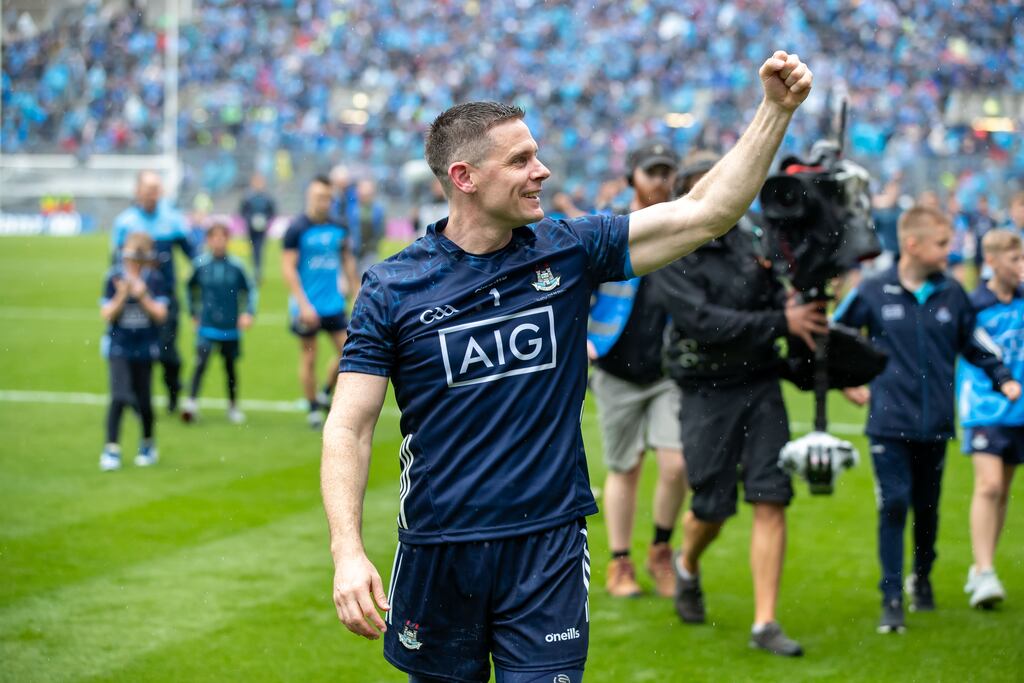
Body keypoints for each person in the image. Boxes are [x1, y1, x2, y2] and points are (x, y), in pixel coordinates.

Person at [322, 50, 812, 682]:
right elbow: (349, 425)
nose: (542, 171)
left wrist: (774, 111)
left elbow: (707, 212)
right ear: (464, 176)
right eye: (521, 160)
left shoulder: (571, 248)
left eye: (537, 155)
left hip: (547, 545)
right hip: (439, 547)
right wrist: (347, 550)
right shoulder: (392, 288)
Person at [648, 152, 828, 657]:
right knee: (711, 506)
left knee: (772, 498)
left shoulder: (753, 243)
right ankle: (686, 564)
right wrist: (780, 323)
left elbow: (779, 305)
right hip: (706, 391)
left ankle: (765, 623)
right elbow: (703, 323)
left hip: (761, 385)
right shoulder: (672, 254)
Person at [834, 206, 1021, 634]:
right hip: (887, 421)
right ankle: (891, 597)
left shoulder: (953, 294)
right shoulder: (872, 291)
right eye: (942, 244)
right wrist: (846, 381)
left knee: (928, 508)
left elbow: (975, 344)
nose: (950, 251)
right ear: (912, 245)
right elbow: (834, 335)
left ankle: (923, 576)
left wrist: (1003, 378)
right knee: (894, 503)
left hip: (935, 422)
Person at [587, 139, 686, 599]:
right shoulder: (607, 226)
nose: (661, 180)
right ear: (632, 178)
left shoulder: (682, 222)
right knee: (623, 468)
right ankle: (621, 563)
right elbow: (576, 285)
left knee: (675, 464)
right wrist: (581, 338)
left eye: (667, 171)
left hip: (667, 367)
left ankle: (661, 551)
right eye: (652, 171)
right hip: (615, 364)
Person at [957, 229, 1024, 609]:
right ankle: (984, 571)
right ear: (994, 261)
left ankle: (984, 566)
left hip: (1019, 408)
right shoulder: (974, 305)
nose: (1021, 267)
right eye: (1015, 260)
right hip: (983, 407)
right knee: (989, 485)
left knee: (1002, 491)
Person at [111, 170, 195, 413]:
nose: (152, 195)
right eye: (148, 189)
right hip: (134, 302)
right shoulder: (125, 222)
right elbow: (115, 263)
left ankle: (173, 391)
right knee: (138, 356)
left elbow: (193, 254)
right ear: (138, 191)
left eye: (156, 189)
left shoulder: (173, 219)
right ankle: (139, 404)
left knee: (169, 355)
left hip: (165, 297)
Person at [282, 175, 360, 429]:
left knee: (348, 352)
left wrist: (356, 288)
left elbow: (347, 259)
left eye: (327, 197)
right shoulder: (297, 229)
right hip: (307, 307)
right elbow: (288, 268)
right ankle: (313, 407)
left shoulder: (339, 227)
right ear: (309, 197)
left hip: (333, 304)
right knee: (309, 357)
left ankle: (326, 391)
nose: (323, 202)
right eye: (318, 197)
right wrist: (303, 305)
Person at [99, 231, 168, 471]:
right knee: (119, 397)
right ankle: (111, 448)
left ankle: (148, 444)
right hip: (119, 346)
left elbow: (161, 314)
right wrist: (121, 294)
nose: (133, 264)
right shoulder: (113, 278)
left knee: (145, 400)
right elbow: (106, 314)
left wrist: (142, 296)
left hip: (145, 348)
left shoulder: (155, 279)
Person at [182, 222, 257, 425]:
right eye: (214, 237)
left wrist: (248, 313)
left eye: (222, 237)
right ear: (208, 240)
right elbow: (188, 288)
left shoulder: (237, 266)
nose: (218, 241)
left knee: (230, 367)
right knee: (200, 363)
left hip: (230, 326)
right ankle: (191, 403)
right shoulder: (200, 265)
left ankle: (233, 406)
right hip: (207, 324)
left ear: (228, 240)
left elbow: (250, 290)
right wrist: (193, 313)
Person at [239, 173, 277, 283]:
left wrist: (265, 220)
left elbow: (272, 211)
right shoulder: (248, 197)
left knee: (259, 249)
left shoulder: (267, 198)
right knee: (252, 250)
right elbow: (242, 211)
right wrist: (250, 220)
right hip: (251, 229)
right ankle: (254, 271)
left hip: (262, 229)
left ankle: (258, 272)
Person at [345, 178, 386, 273]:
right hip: (354, 250)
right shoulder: (352, 209)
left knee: (367, 273)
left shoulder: (378, 210)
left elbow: (381, 231)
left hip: (370, 250)